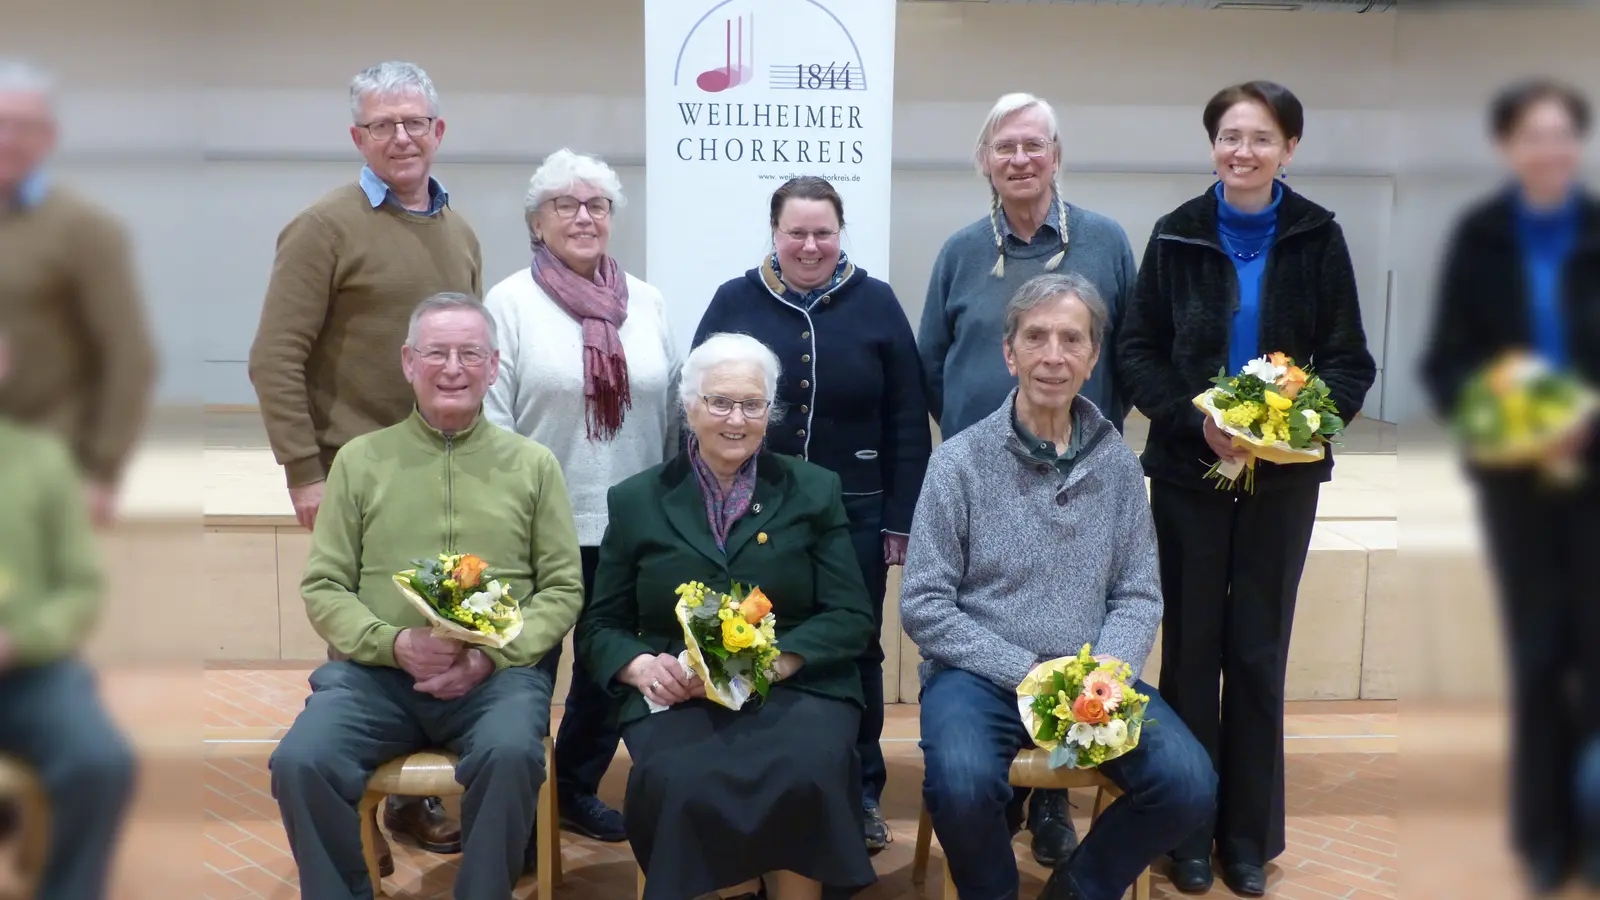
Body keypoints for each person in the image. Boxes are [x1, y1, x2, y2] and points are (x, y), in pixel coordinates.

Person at [1117, 81, 1376, 897]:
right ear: (1212, 146)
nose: (1243, 151)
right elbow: (1137, 352)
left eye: (1261, 138)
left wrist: (1294, 428)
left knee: (1258, 654)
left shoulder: (1317, 237)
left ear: (1289, 148)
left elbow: (1348, 361)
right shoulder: (1176, 234)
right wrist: (1199, 425)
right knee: (1192, 652)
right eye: (1230, 136)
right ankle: (1187, 830)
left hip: (1282, 481)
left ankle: (1248, 839)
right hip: (1190, 471)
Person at [903, 274, 1215, 900]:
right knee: (960, 786)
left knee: (1189, 784)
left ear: (1094, 356)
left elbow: (1137, 594)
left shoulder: (1120, 466)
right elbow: (925, 605)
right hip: (979, 678)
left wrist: (1102, 672)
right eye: (1036, 337)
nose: (1054, 355)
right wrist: (1028, 673)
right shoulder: (958, 462)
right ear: (1009, 351)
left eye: (1072, 339)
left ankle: (1076, 890)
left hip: (1091, 678)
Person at [268, 293, 584, 900]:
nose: (453, 368)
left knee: (513, 754)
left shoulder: (533, 465)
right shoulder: (361, 462)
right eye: (436, 352)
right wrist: (395, 643)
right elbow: (325, 585)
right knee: (301, 762)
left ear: (493, 367)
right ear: (409, 362)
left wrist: (493, 654)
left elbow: (563, 588)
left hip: (496, 678)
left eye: (470, 353)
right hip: (376, 678)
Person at [247, 59, 483, 865]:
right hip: (356, 474)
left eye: (415, 121)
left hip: (447, 472)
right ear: (358, 137)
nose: (402, 136)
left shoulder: (459, 231)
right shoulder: (323, 227)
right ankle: (349, 816)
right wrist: (304, 470)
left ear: (438, 131)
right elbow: (274, 357)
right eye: (383, 124)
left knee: (440, 632)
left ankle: (412, 805)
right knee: (363, 649)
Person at [576, 333, 879, 900]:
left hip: (796, 684)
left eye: (752, 404)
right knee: (685, 780)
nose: (735, 419)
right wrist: (639, 667)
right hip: (680, 692)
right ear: (689, 407)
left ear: (771, 411)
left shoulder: (814, 490)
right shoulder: (636, 500)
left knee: (808, 770)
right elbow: (600, 628)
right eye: (719, 402)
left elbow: (849, 614)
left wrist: (771, 665)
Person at [692, 175, 931, 851]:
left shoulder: (878, 303)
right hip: (748, 510)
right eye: (796, 232)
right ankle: (744, 780)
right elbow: (698, 410)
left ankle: (858, 791)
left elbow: (907, 420)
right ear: (774, 233)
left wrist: (898, 520)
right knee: (746, 637)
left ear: (840, 232)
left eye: (823, 232)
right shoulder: (733, 300)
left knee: (854, 648)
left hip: (854, 516)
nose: (810, 245)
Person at [1420, 79, 1600, 896]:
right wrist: (1505, 415)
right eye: (1533, 136)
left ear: (1579, 144)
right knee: (1534, 658)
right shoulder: (1481, 236)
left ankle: (1593, 826)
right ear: (1507, 147)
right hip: (1516, 482)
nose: (1548, 150)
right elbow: (1446, 362)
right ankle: (1541, 834)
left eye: (1562, 135)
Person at [484, 148, 682, 846]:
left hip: (630, 524)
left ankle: (571, 790)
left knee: (606, 676)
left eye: (596, 204)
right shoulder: (507, 302)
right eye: (564, 204)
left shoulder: (648, 302)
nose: (582, 216)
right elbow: (492, 421)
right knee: (527, 672)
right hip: (537, 525)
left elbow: (672, 416)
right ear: (537, 222)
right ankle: (515, 806)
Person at [0, 332, 137, 900]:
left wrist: (22, 639)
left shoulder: (41, 459)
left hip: (30, 672)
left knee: (101, 761)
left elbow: (81, 587)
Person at [918, 91, 1136, 445]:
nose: (1020, 160)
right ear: (985, 161)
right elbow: (930, 368)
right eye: (1004, 148)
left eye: (1034, 145)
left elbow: (1131, 357)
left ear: (1056, 156)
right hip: (978, 461)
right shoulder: (959, 253)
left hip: (1084, 459)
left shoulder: (1107, 243)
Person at [0, 59, 157, 527]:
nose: (8, 138)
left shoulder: (85, 229)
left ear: (48, 137)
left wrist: (102, 472)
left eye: (24, 126)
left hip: (46, 468)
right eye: (0, 124)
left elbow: (130, 356)